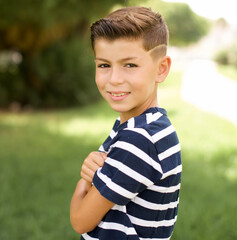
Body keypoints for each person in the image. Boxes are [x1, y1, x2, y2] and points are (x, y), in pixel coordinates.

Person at [70, 6, 182, 240]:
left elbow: (80, 221)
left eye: (130, 65)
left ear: (161, 69)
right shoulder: (150, 128)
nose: (115, 79)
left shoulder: (139, 140)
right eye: (104, 65)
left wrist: (85, 180)